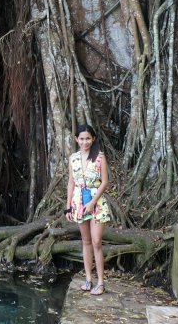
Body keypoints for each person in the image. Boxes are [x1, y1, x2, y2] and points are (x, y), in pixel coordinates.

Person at [65, 124, 111, 295]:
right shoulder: (73, 158)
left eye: (88, 138)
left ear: (93, 139)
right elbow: (71, 182)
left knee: (97, 241)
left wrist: (92, 202)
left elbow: (105, 182)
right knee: (86, 241)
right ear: (77, 139)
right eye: (82, 138)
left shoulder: (99, 157)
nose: (85, 142)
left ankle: (100, 282)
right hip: (78, 203)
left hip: (96, 203)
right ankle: (88, 280)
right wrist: (68, 206)